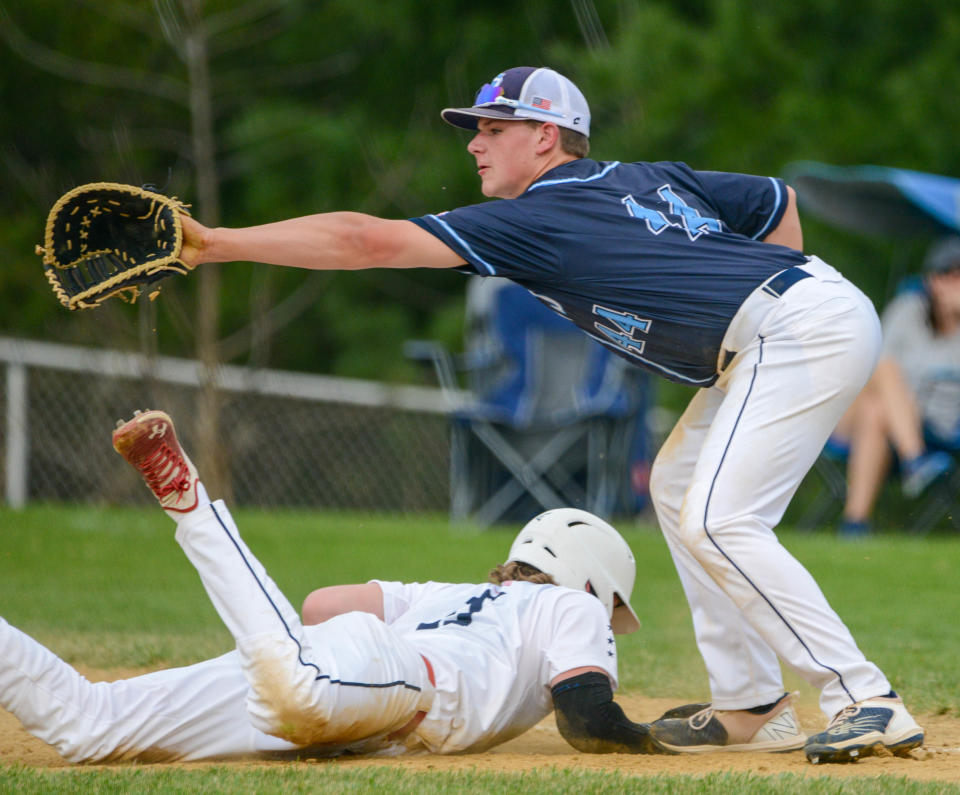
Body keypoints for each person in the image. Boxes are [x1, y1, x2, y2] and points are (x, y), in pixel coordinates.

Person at [173, 66, 924, 764]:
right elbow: (776, 203)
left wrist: (216, 243)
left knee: (719, 520)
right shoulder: (642, 178)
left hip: (792, 329)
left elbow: (365, 241)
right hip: (798, 313)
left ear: (545, 135)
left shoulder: (536, 217)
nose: (473, 142)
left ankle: (866, 696)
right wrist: (757, 304)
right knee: (675, 485)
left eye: (492, 128)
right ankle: (751, 704)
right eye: (475, 129)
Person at [0, 409, 662, 762]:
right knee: (296, 684)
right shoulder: (573, 605)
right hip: (392, 681)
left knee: (88, 724)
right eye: (612, 611)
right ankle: (190, 503)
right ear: (594, 583)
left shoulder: (448, 593)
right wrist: (656, 737)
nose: (609, 626)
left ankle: (289, 662)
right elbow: (587, 720)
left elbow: (322, 605)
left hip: (357, 675)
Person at [831, 236, 960, 537]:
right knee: (882, 367)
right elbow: (874, 362)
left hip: (937, 424)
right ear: (932, 280)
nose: (955, 284)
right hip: (876, 416)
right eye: (949, 275)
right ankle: (915, 459)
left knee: (875, 411)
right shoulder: (907, 309)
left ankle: (854, 524)